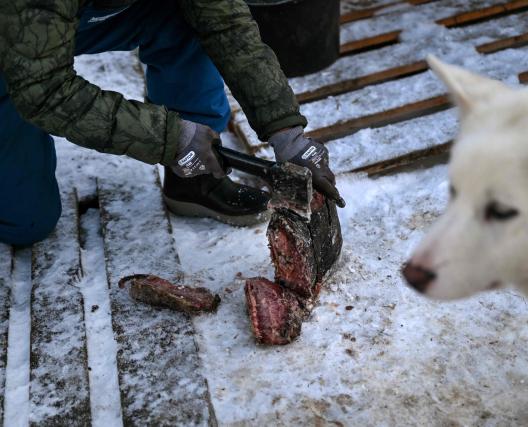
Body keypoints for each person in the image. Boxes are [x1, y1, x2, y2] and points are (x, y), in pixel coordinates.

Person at [0, 0, 344, 247]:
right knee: (28, 223)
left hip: (82, 17)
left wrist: (287, 132)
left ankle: (194, 178)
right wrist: (169, 137)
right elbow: (44, 90)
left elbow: (226, 25)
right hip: (11, 41)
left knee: (187, 13)